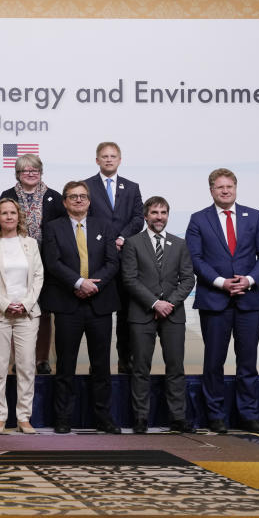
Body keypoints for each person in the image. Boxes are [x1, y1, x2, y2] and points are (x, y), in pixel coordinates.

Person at [186, 169, 259, 435]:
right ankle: (215, 415)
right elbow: (195, 259)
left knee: (247, 361)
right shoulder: (198, 219)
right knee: (214, 361)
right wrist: (221, 283)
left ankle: (248, 415)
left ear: (236, 188)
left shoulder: (254, 216)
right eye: (219, 187)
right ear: (211, 190)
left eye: (229, 186)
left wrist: (248, 280)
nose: (225, 191)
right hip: (215, 299)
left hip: (250, 300)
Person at [40, 181, 120, 434]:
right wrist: (77, 282)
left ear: (89, 200)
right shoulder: (52, 228)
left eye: (82, 196)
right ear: (64, 201)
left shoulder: (104, 226)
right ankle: (63, 418)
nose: (78, 200)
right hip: (67, 304)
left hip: (99, 304)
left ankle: (104, 417)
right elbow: (52, 262)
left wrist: (93, 285)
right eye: (72, 196)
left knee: (101, 365)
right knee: (65, 365)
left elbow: (112, 262)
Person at [120, 196, 196, 434]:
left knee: (175, 367)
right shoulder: (133, 243)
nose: (159, 217)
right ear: (146, 215)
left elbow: (188, 279)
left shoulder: (180, 244)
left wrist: (168, 304)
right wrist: (154, 303)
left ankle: (177, 418)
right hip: (142, 314)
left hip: (173, 315)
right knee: (140, 368)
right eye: (154, 212)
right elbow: (129, 279)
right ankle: (141, 418)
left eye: (163, 212)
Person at [0, 198, 44, 434]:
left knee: (26, 366)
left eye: (12, 212)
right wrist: (5, 304)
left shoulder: (31, 244)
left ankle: (24, 417)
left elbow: (38, 277)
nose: (8, 216)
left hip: (27, 314)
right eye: (4, 213)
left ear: (19, 216)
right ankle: (0, 417)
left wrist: (25, 304)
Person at [0, 153, 65, 375]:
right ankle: (20, 360)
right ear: (18, 173)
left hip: (47, 263)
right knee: (16, 311)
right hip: (15, 262)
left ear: (41, 172)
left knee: (43, 312)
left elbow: (61, 233)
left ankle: (41, 359)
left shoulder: (55, 197)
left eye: (34, 170)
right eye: (25, 170)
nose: (30, 173)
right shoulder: (7, 195)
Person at [85, 142, 144, 374]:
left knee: (126, 312)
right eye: (104, 156)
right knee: (98, 313)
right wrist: (107, 243)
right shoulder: (87, 186)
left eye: (113, 156)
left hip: (126, 256)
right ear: (97, 160)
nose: (109, 160)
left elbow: (139, 217)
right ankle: (97, 363)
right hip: (98, 259)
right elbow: (85, 219)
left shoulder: (131, 187)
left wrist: (122, 238)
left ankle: (124, 359)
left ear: (120, 160)